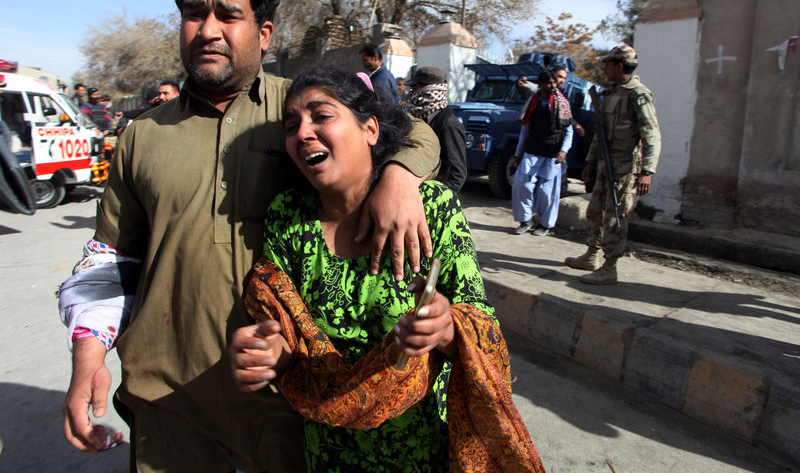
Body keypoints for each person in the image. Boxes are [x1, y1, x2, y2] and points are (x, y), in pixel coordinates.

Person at [58, 0, 440, 472]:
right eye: (194, 14)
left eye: (228, 15)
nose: (208, 29)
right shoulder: (141, 135)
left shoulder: (299, 110)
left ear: (263, 33)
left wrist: (398, 176)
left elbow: (414, 130)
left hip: (286, 397)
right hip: (169, 398)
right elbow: (109, 259)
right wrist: (88, 359)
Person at [229, 67, 544, 472]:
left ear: (371, 129)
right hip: (328, 453)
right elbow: (289, 335)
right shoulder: (287, 217)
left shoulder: (432, 208)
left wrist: (446, 328)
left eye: (321, 116)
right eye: (292, 125)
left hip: (425, 450)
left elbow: (484, 328)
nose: (303, 133)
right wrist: (273, 353)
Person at [565, 44, 661, 284]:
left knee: (615, 217)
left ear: (619, 65)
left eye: (608, 64)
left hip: (625, 168)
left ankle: (610, 267)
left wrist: (646, 171)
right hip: (605, 165)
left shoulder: (638, 94)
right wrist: (589, 162)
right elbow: (601, 132)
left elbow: (652, 135)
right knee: (595, 211)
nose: (604, 68)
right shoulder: (611, 94)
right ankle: (592, 254)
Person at [511, 69, 573, 236]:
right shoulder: (533, 102)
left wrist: (563, 150)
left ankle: (545, 224)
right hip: (532, 151)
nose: (553, 85)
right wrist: (518, 153)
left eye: (554, 82)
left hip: (552, 154)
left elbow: (568, 131)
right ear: (541, 85)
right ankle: (525, 220)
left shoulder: (562, 103)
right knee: (522, 184)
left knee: (546, 191)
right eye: (549, 83)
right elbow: (525, 130)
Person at [407, 66, 467, 193]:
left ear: (428, 90)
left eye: (414, 88)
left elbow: (457, 174)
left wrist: (435, 199)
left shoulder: (449, 125)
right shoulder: (420, 118)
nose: (411, 93)